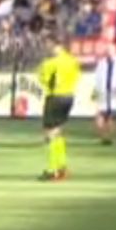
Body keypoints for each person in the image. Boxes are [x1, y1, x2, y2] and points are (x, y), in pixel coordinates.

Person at [37, 38, 80, 181]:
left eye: (49, 45)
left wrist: (43, 72)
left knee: (50, 132)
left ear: (57, 46)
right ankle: (62, 166)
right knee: (58, 130)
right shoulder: (72, 61)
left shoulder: (51, 62)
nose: (48, 48)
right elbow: (77, 77)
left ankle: (53, 169)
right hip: (69, 96)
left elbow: (43, 79)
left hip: (55, 96)